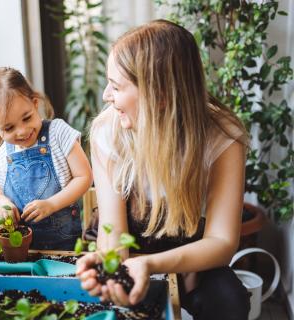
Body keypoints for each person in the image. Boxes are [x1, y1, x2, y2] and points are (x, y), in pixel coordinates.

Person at [76, 20, 251, 319]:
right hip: (127, 238)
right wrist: (114, 270)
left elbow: (222, 242)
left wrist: (153, 265)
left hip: (188, 243)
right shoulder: (108, 131)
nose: (106, 95)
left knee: (230, 301)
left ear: (160, 96)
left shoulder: (223, 137)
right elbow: (114, 231)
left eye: (116, 87)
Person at [0, 67, 93, 250]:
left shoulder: (58, 133)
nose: (22, 131)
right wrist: (5, 206)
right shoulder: (4, 153)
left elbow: (84, 177)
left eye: (27, 118)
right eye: (9, 128)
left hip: (64, 247)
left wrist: (51, 204)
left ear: (35, 103)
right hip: (24, 250)